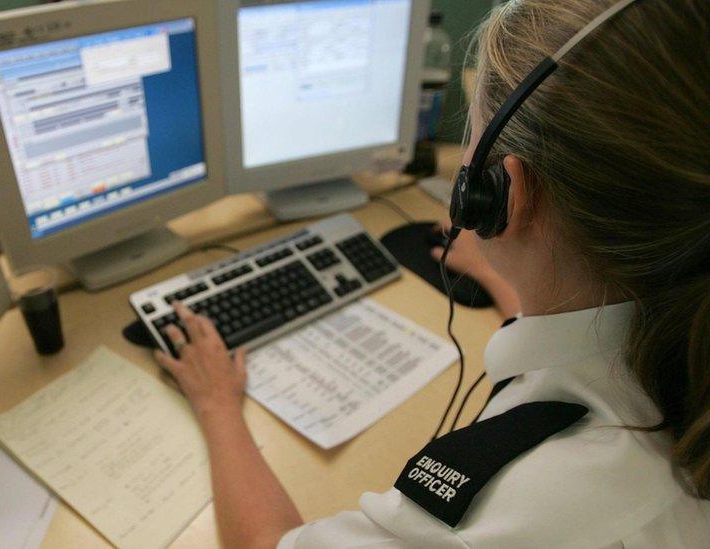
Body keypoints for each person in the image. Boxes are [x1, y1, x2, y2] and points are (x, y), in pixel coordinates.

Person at [154, 0, 710, 546]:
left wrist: (216, 403)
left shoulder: (510, 511)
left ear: (500, 194)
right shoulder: (675, 333)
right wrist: (502, 279)